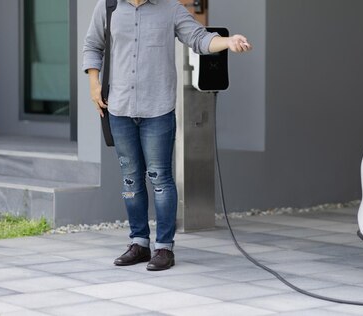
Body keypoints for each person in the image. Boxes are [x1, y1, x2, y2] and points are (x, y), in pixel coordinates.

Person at [82, 0, 251, 271]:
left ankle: (164, 247)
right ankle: (139, 243)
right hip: (120, 108)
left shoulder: (170, 9)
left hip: (158, 109)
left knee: (160, 177)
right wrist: (93, 84)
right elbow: (93, 45)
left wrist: (228, 42)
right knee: (130, 178)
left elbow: (199, 38)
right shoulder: (108, 6)